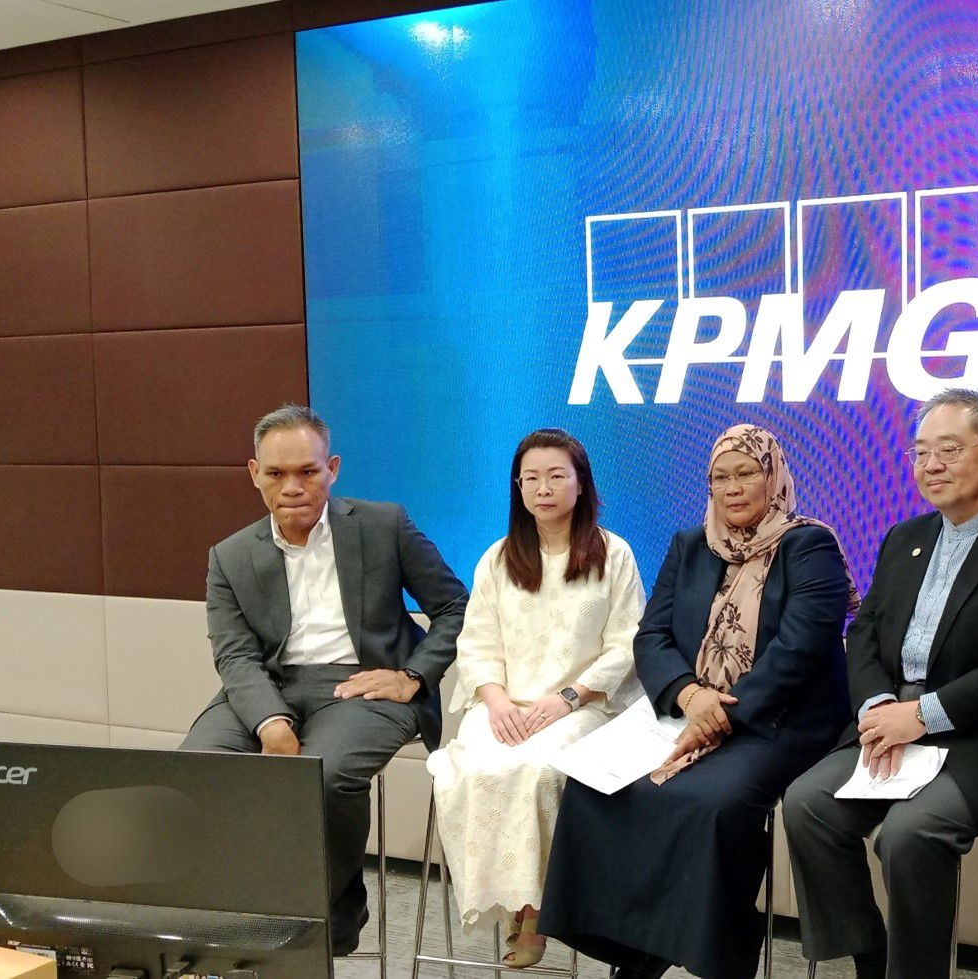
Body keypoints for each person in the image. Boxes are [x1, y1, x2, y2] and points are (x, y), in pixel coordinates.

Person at [782, 388, 978, 979]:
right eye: (920, 453)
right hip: (896, 728)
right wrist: (878, 706)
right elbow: (864, 631)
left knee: (909, 833)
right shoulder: (905, 538)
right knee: (807, 804)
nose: (931, 466)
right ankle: (873, 959)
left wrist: (922, 715)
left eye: (949, 450)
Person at [540, 424, 857, 979]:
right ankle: (636, 953)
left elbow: (800, 650)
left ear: (773, 477)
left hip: (780, 724)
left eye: (746, 473)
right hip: (684, 713)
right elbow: (651, 636)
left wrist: (721, 712)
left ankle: (719, 959)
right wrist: (689, 694)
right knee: (593, 790)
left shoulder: (810, 546)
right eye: (720, 478)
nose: (732, 488)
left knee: (709, 806)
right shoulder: (690, 545)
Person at [180, 404, 469, 956]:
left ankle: (330, 913)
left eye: (307, 471)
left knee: (325, 774)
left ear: (331, 469)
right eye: (276, 473)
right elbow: (235, 655)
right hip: (269, 684)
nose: (292, 487)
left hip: (364, 684)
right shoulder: (230, 556)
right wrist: (270, 721)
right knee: (196, 769)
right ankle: (229, 914)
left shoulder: (384, 525)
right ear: (254, 473)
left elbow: (456, 607)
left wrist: (413, 676)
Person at [427, 429, 645, 967]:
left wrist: (566, 698)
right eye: (531, 478)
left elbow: (627, 643)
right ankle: (504, 899)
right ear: (518, 487)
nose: (543, 488)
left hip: (584, 706)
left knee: (538, 771)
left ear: (581, 483)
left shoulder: (613, 554)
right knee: (472, 769)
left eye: (556, 476)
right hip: (503, 703)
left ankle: (535, 913)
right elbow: (477, 642)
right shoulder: (498, 558)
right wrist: (497, 701)